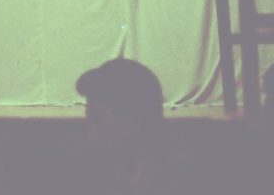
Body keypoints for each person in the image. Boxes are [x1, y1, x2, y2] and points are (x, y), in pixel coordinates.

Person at [74, 58, 207, 195]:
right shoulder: (126, 164)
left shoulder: (179, 174)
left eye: (98, 120)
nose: (92, 133)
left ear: (135, 117)